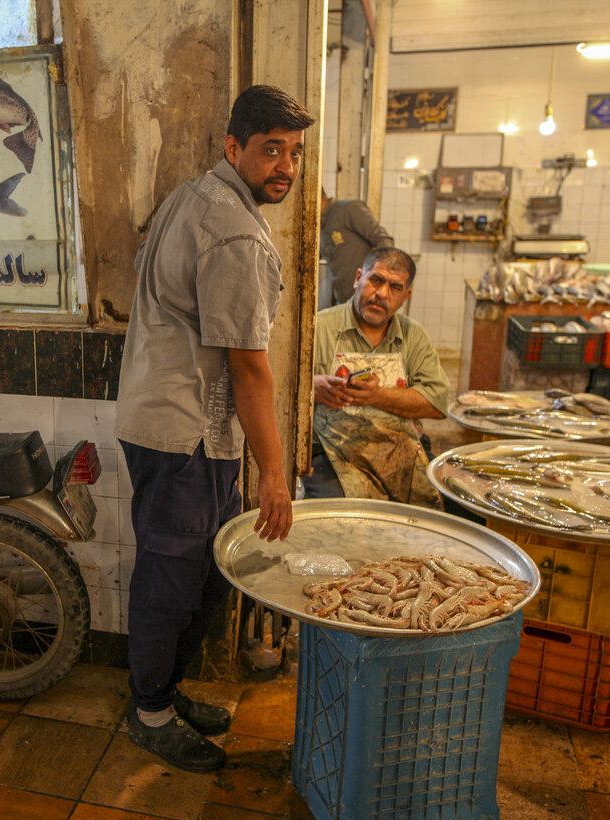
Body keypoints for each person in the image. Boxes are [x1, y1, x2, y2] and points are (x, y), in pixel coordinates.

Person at [114, 85, 314, 773]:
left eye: (293, 153)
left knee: (205, 575)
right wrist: (275, 476)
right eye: (270, 150)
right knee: (173, 582)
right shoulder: (231, 228)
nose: (284, 166)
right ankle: (150, 713)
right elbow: (250, 370)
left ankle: (161, 693)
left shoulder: (193, 197)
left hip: (168, 421)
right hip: (184, 434)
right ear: (235, 148)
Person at [303, 247, 450, 507]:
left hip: (400, 450)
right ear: (358, 278)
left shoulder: (414, 336)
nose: (382, 294)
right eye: (376, 280)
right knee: (339, 517)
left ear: (406, 296)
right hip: (333, 454)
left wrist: (377, 395)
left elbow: (436, 403)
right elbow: (278, 386)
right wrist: (311, 387)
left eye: (395, 287)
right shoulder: (318, 327)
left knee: (435, 513)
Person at [320, 191, 395, 305]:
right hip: (344, 302)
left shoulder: (348, 209)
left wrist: (376, 285)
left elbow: (384, 241)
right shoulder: (319, 225)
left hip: (366, 300)